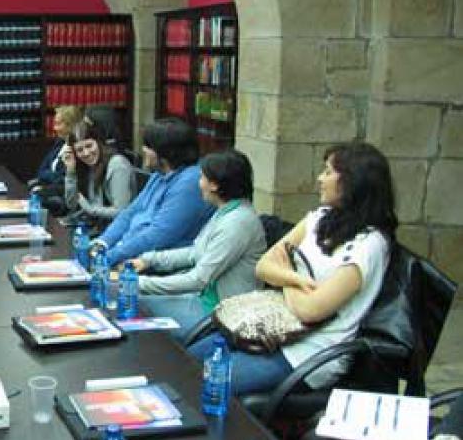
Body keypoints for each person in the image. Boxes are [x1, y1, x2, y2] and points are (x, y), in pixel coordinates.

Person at [188, 142, 397, 396]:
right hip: (269, 329)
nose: (320, 179)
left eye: (329, 172)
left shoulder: (369, 244)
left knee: (201, 383)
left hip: (308, 353)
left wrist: (287, 273)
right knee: (184, 362)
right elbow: (264, 266)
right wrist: (297, 279)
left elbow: (311, 311)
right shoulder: (320, 217)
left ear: (354, 182)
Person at [131, 149, 265, 341]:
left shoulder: (238, 223)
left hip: (217, 314)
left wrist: (139, 283)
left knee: (134, 309)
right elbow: (195, 252)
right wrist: (149, 260)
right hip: (201, 300)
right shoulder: (225, 212)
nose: (198, 183)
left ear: (215, 185)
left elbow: (198, 279)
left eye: (202, 177)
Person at [93, 117, 215, 266]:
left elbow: (159, 235)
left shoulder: (190, 182)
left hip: (157, 266)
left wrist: (109, 257)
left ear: (166, 152)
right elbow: (131, 212)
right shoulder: (159, 174)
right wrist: (103, 243)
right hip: (128, 253)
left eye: (148, 146)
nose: (143, 149)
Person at [61, 119, 135, 230]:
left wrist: (90, 209)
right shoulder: (86, 166)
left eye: (89, 146)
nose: (86, 153)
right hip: (97, 226)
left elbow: (121, 211)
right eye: (79, 150)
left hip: (119, 231)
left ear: (99, 142)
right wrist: (70, 170)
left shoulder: (117, 164)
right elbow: (71, 204)